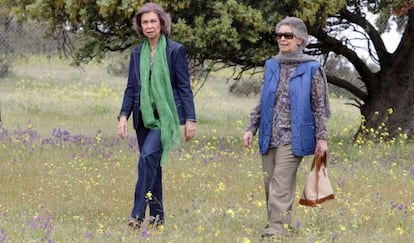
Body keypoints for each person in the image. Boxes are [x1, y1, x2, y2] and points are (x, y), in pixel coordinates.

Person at [242, 16, 330, 238]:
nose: (282, 39)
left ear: (300, 39)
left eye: (287, 35)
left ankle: (275, 229)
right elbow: (263, 99)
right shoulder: (272, 65)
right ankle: (282, 224)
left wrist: (322, 138)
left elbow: (318, 106)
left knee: (281, 182)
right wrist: (250, 128)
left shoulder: (311, 68)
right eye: (279, 35)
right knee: (270, 183)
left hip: (294, 136)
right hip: (269, 134)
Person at [118, 2, 196, 229]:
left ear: (162, 24)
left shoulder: (175, 50)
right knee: (152, 166)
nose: (149, 26)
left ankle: (137, 214)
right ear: (140, 27)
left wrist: (190, 119)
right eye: (145, 22)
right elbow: (131, 87)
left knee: (146, 159)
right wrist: (123, 116)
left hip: (166, 117)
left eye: (153, 21)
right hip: (143, 118)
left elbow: (184, 87)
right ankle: (158, 216)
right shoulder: (136, 53)